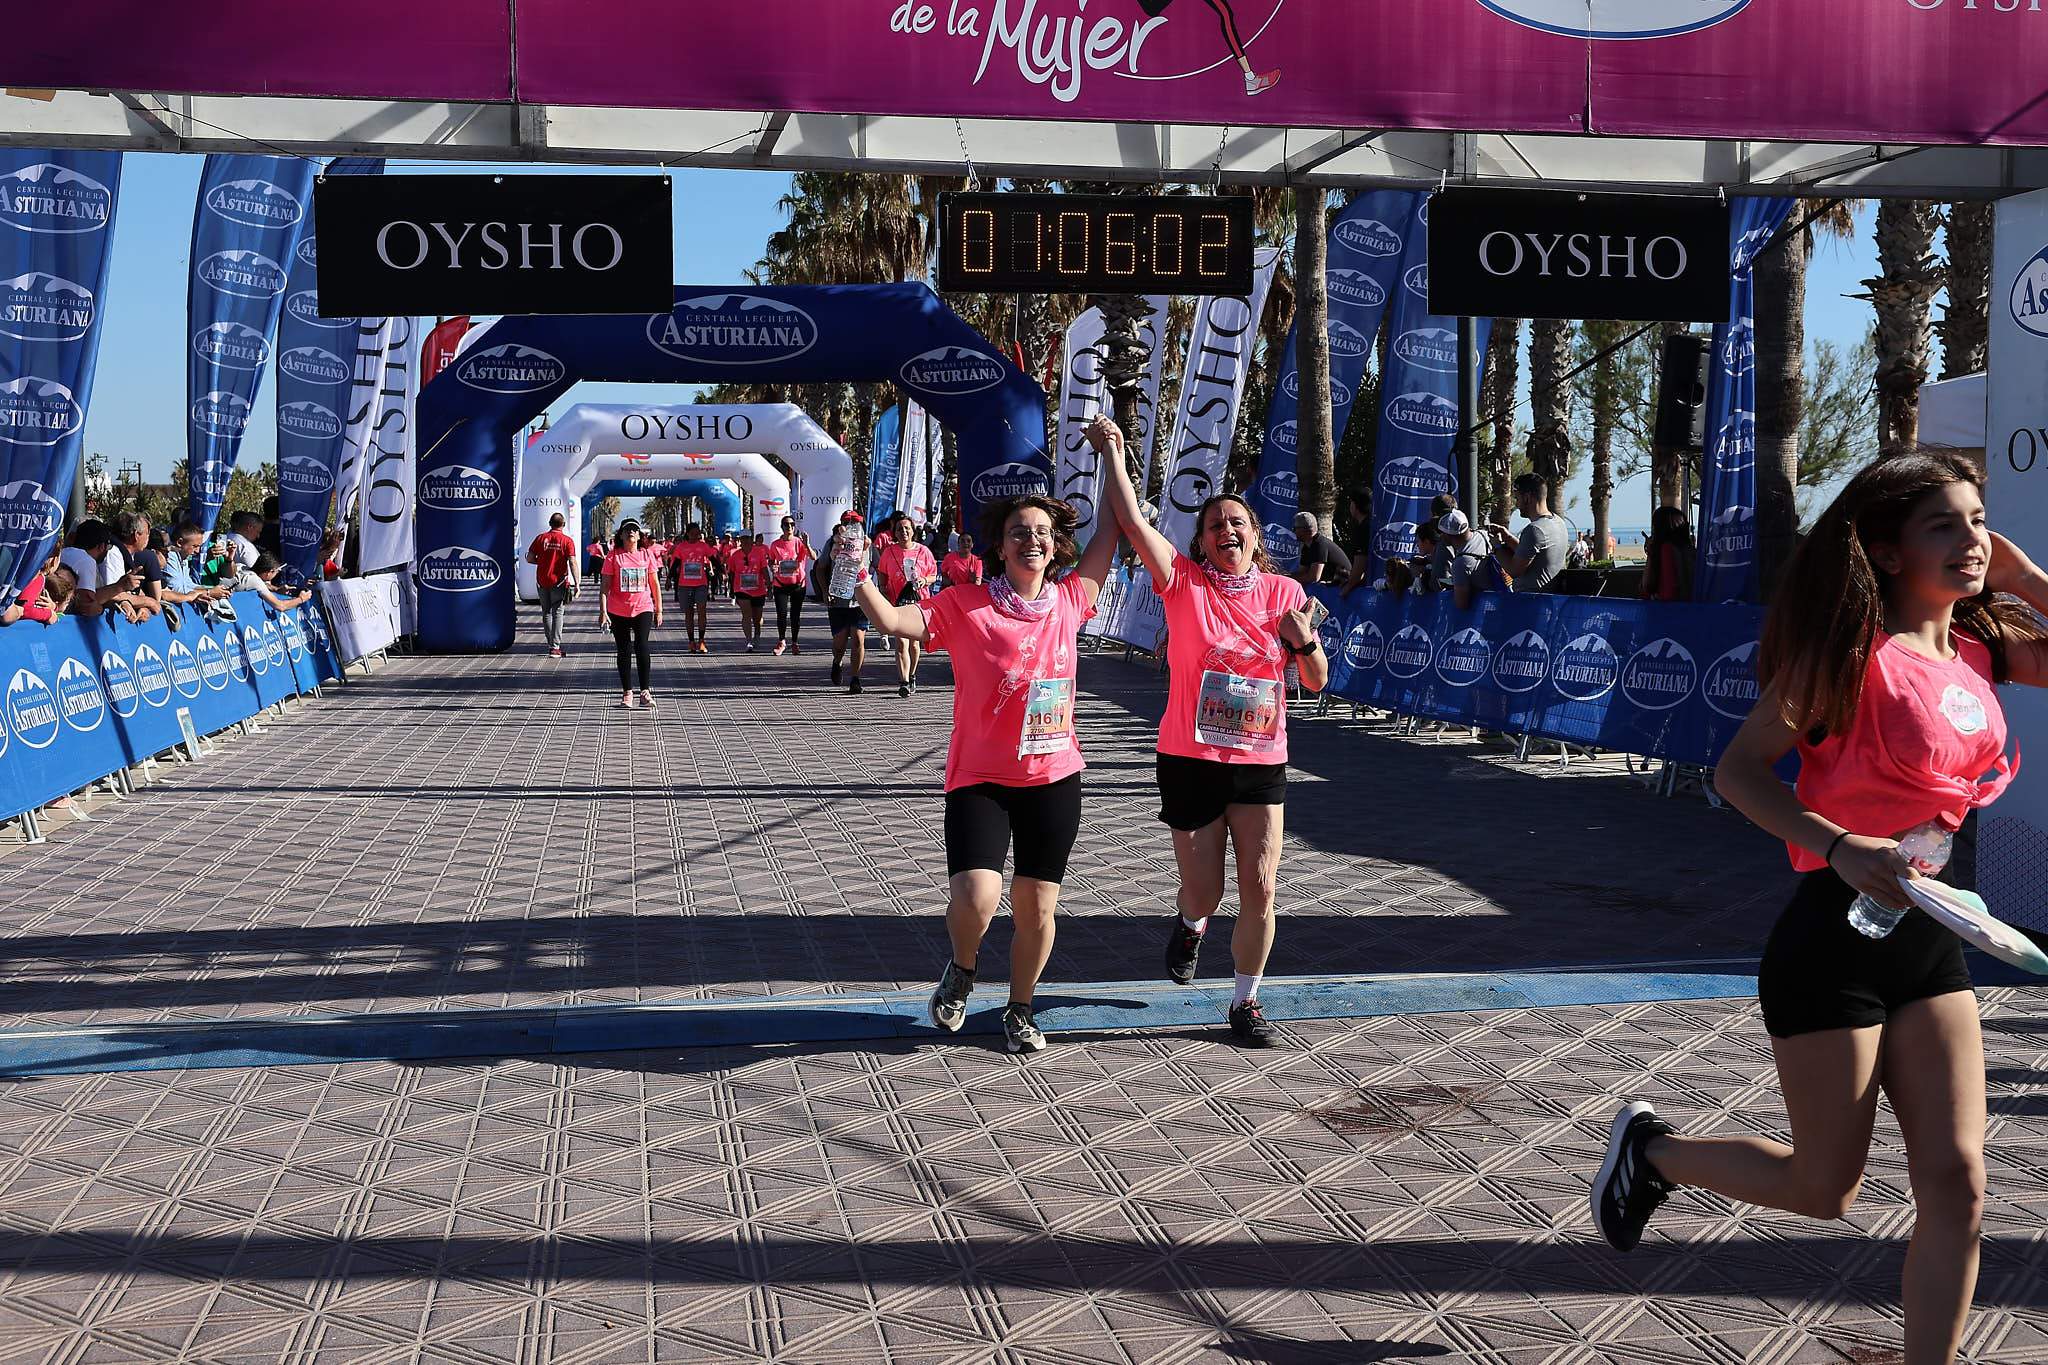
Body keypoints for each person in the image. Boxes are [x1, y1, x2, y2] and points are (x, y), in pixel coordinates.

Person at [1592, 454, 2047, 1365]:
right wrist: (1841, 844)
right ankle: (1654, 1151)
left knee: (1959, 1184)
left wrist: (2026, 577)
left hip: (1933, 931)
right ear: (1884, 551)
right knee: (1824, 1186)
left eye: (1978, 520)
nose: (1970, 541)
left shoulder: (1980, 649)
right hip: (1832, 937)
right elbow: (1739, 771)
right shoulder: (1845, 656)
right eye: (1944, 526)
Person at [855, 484, 1124, 1054]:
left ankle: (1021, 1007)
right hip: (980, 778)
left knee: (1036, 906)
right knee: (977, 899)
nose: (1032, 540)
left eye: (1042, 534)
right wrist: (858, 575)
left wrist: (1112, 459)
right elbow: (893, 619)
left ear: (1055, 549)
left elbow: (1110, 534)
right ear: (1000, 547)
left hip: (1053, 777)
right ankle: (963, 965)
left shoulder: (1071, 600)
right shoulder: (965, 603)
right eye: (1019, 532)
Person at [1088, 414, 1328, 1046]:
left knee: (1261, 884)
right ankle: (1191, 923)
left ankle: (1246, 1003)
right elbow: (1136, 522)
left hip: (1260, 759)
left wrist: (1304, 644)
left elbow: (1317, 681)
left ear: (1255, 537)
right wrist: (1114, 450)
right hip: (1190, 757)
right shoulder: (1184, 585)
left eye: (1237, 523)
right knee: (1208, 888)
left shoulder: (1283, 594)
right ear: (1200, 542)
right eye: (1215, 524)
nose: (1227, 530)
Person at [600, 520, 662, 709]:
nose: (631, 533)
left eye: (635, 530)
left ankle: (645, 691)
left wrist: (659, 609)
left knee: (642, 645)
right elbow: (605, 587)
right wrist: (603, 611)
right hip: (618, 609)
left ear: (639, 535)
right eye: (627, 530)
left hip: (643, 607)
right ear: (621, 535)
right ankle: (627, 692)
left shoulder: (646, 554)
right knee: (624, 650)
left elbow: (654, 584)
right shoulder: (613, 556)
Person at [877, 512, 939, 695]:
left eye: (907, 528)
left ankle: (912, 675)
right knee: (901, 643)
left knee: (914, 644)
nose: (903, 532)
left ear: (913, 531)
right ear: (894, 533)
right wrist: (883, 588)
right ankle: (903, 681)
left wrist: (924, 581)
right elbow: (882, 572)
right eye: (899, 529)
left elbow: (933, 575)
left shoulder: (923, 551)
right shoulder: (889, 552)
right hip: (897, 603)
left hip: (920, 603)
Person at [1489, 473, 1569, 593]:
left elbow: (1514, 570)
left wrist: (1497, 547)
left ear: (1527, 497)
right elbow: (1529, 555)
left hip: (1531, 603)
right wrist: (1508, 537)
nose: (1517, 504)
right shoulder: (1558, 522)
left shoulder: (1535, 530)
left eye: (1517, 498)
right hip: (1550, 601)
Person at [824, 515, 873, 693]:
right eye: (848, 523)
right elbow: (821, 568)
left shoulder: (867, 543)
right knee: (840, 642)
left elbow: (875, 567)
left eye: (855, 523)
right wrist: (825, 592)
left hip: (860, 600)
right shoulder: (834, 543)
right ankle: (837, 662)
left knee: (859, 640)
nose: (852, 526)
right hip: (839, 599)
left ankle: (855, 678)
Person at [526, 512, 578, 659]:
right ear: (564, 525)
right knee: (558, 612)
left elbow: (530, 558)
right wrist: (577, 583)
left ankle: (551, 645)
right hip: (559, 581)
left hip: (542, 581)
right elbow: (572, 562)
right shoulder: (567, 541)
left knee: (546, 612)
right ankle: (555, 648)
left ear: (550, 523)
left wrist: (542, 562)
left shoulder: (540, 538)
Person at [766, 516, 815, 656]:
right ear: (782, 527)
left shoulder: (799, 542)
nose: (790, 527)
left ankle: (794, 642)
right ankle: (782, 641)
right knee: (781, 614)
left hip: (798, 584)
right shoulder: (775, 544)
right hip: (780, 584)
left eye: (792, 524)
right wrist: (773, 566)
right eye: (786, 525)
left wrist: (807, 544)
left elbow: (813, 557)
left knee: (795, 615)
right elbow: (771, 561)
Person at [670, 524, 717, 653]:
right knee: (689, 613)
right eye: (693, 533)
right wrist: (669, 578)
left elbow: (712, 558)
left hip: (701, 584)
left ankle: (701, 640)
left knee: (702, 611)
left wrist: (722, 570)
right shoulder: (681, 547)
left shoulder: (703, 546)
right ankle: (691, 641)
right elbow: (675, 564)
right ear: (688, 533)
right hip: (685, 585)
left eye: (698, 533)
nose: (696, 536)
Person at [1641, 504, 1695, 602]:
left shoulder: (1666, 549)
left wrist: (1651, 553)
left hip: (1666, 611)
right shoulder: (1687, 549)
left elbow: (1649, 586)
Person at [228, 551, 314, 611]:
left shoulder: (241, 566)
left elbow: (261, 584)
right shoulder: (255, 581)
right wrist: (301, 599)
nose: (277, 574)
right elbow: (280, 606)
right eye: (277, 571)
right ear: (269, 573)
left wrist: (276, 589)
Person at [731, 531, 771, 650]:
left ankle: (757, 634)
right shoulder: (735, 555)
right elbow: (731, 573)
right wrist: (731, 590)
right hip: (741, 589)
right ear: (740, 540)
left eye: (748, 538)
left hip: (758, 590)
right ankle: (748, 640)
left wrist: (769, 585)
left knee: (757, 617)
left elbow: (764, 570)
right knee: (746, 614)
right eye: (743, 538)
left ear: (751, 539)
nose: (746, 541)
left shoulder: (759, 553)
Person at [1292, 512, 1352, 588]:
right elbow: (1301, 572)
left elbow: (1314, 578)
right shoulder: (1307, 546)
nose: (1293, 532)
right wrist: (1283, 576)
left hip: (1341, 587)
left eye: (1295, 529)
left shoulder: (1319, 544)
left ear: (1304, 530)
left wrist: (1289, 579)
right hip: (1329, 586)